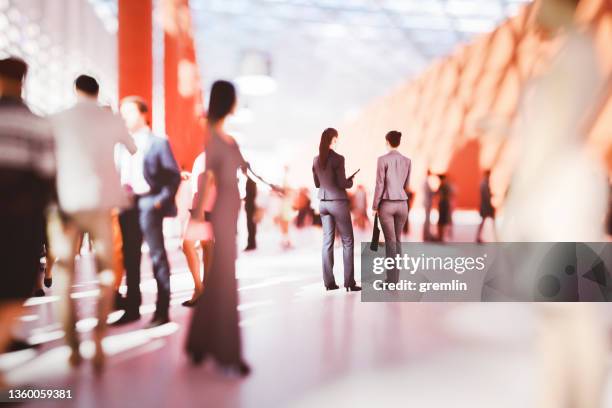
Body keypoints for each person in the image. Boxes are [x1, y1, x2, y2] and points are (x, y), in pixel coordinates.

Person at [47, 74, 136, 370]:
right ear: (98, 93)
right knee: (107, 273)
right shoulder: (110, 119)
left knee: (64, 274)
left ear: (75, 91)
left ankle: (72, 345)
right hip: (101, 202)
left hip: (67, 203)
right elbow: (132, 148)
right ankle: (98, 336)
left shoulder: (58, 118)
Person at [186, 80, 251, 376]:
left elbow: (245, 170)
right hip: (221, 210)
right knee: (224, 276)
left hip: (231, 208)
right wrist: (198, 215)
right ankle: (229, 353)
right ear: (228, 101)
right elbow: (209, 177)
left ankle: (198, 343)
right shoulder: (213, 137)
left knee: (220, 276)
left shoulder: (228, 138)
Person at [0, 57, 56, 389]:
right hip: (19, 223)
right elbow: (48, 174)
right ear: (23, 81)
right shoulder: (37, 124)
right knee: (13, 290)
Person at [113, 96, 180, 328]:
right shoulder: (121, 144)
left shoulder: (158, 142)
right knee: (130, 257)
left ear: (143, 114)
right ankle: (132, 308)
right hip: (127, 204)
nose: (124, 116)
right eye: (121, 112)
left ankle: (162, 311)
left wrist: (160, 201)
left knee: (157, 255)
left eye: (128, 112)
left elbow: (173, 175)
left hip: (149, 202)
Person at [312, 128, 361, 292]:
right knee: (348, 241)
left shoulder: (316, 160)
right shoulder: (338, 159)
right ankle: (349, 282)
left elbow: (317, 184)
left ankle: (329, 283)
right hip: (338, 202)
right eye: (336, 138)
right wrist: (350, 181)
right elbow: (342, 183)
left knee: (327, 243)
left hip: (323, 203)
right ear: (333, 139)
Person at [372, 130, 411, 284]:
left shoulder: (382, 159)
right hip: (402, 204)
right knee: (398, 241)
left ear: (387, 142)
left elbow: (379, 184)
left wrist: (375, 205)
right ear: (399, 142)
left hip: (387, 204)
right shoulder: (407, 161)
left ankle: (391, 280)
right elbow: (407, 185)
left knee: (390, 242)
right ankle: (396, 278)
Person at [180, 152, 215, 307]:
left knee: (188, 244)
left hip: (204, 203)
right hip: (202, 202)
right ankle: (204, 289)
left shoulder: (214, 154)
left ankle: (199, 289)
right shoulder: (204, 155)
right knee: (206, 245)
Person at [476, 170, 496, 243]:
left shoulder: (485, 183)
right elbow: (486, 196)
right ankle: (495, 237)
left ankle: (478, 237)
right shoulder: (484, 184)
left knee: (485, 222)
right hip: (486, 206)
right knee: (486, 221)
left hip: (486, 206)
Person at [436, 174, 452, 242]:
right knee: (442, 220)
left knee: (442, 220)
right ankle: (440, 236)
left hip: (443, 204)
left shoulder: (443, 185)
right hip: (443, 204)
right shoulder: (444, 185)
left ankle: (440, 236)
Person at [422, 169, 436, 241]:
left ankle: (426, 234)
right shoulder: (426, 181)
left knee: (427, 218)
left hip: (426, 201)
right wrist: (434, 192)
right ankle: (426, 235)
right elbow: (429, 192)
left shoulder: (424, 181)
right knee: (427, 219)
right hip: (427, 201)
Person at [244, 176, 257, 250]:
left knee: (251, 226)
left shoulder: (251, 182)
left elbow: (252, 196)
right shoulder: (250, 181)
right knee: (251, 226)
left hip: (251, 207)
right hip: (250, 207)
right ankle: (251, 243)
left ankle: (251, 244)